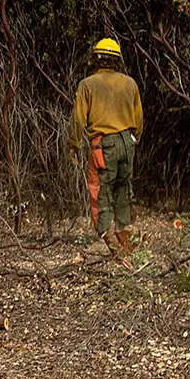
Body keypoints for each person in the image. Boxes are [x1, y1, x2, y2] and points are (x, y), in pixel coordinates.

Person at [74, 37, 143, 254]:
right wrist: (133, 140)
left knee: (100, 191)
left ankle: (112, 245)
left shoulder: (87, 85)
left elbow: (78, 119)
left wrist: (73, 144)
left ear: (96, 60)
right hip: (127, 141)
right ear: (117, 60)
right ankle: (127, 246)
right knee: (123, 189)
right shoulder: (129, 83)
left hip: (103, 144)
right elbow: (138, 118)